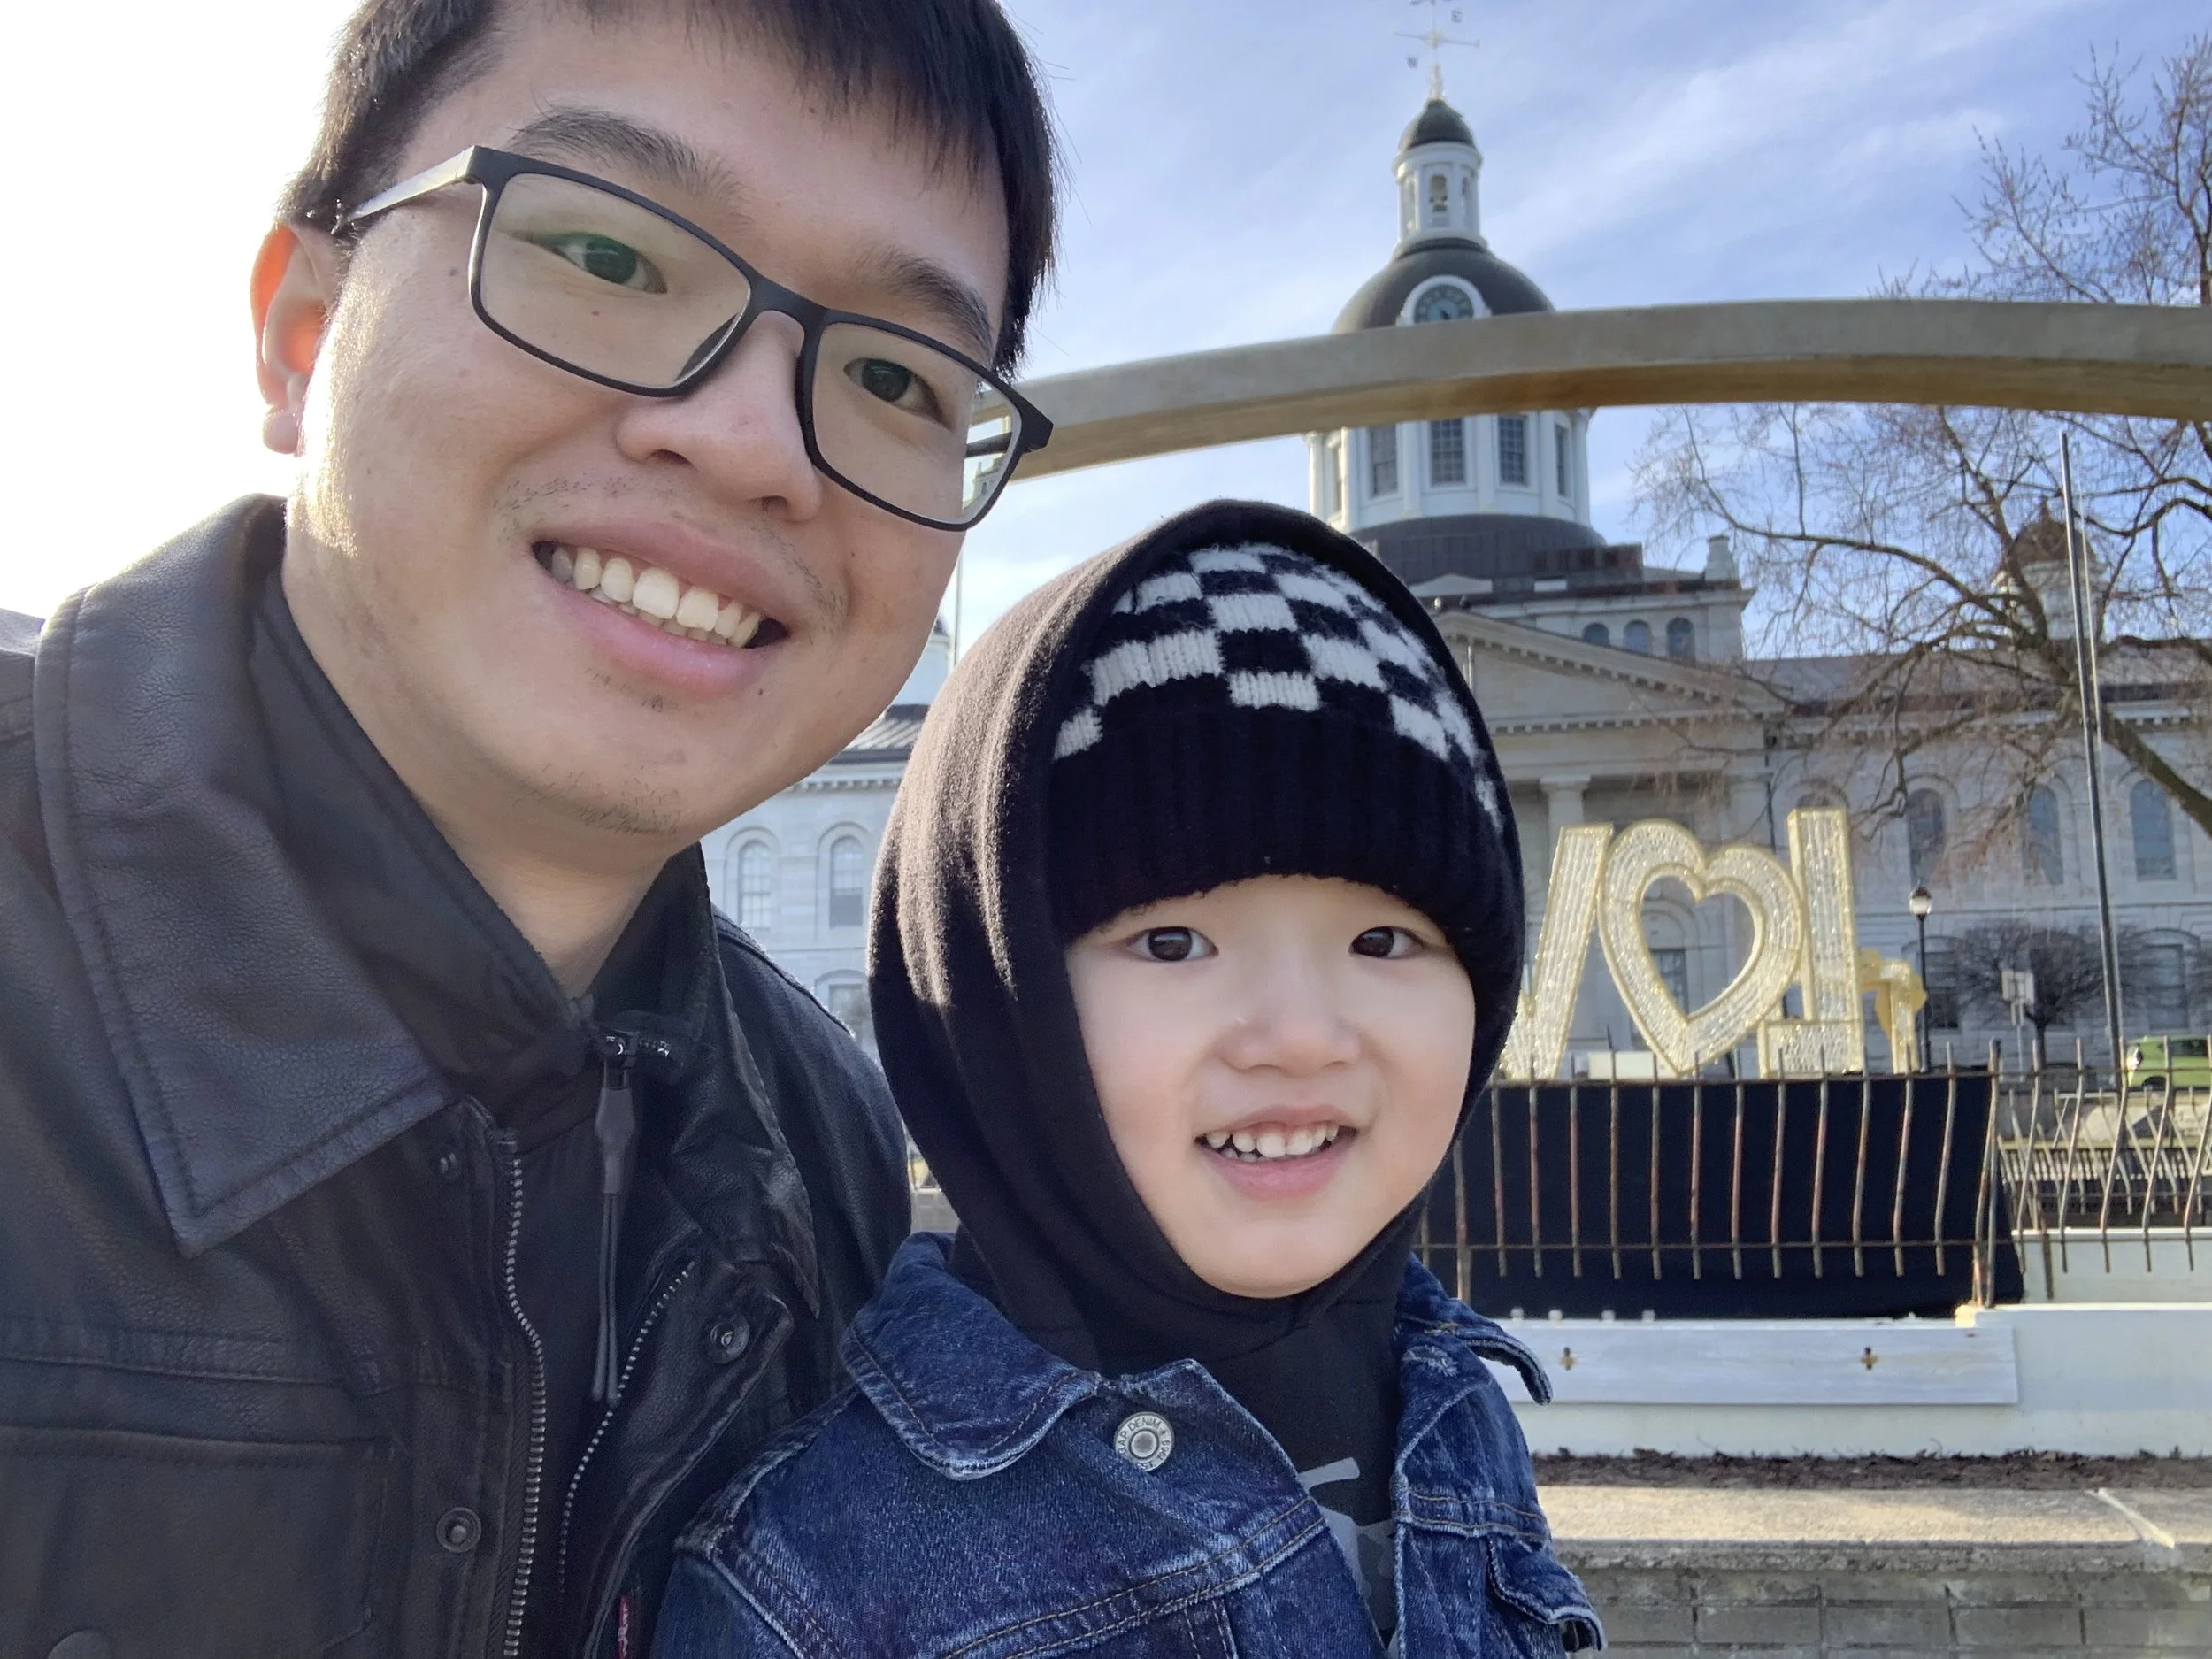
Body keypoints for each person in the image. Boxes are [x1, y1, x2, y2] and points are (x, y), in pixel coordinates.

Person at [0, 0, 1056, 1653]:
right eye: (614, 257)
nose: (754, 441)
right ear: (303, 328)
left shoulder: (821, 1151)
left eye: (895, 375)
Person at [655, 500, 1602, 1655]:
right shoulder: (817, 1574)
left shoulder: (1454, 1405)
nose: (1301, 1036)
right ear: (1004, 1015)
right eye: (1172, 943)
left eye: (1385, 941)